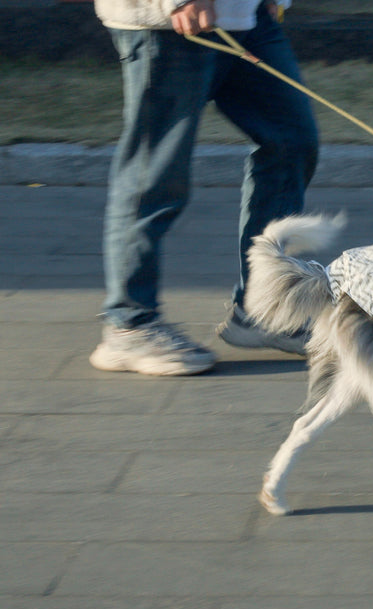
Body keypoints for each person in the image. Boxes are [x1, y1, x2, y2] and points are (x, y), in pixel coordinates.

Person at [89, 0, 319, 376]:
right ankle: (128, 323)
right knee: (155, 173)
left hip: (246, 13)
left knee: (292, 142)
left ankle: (263, 310)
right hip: (166, 22)